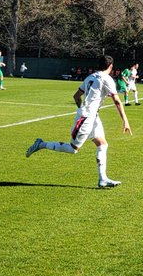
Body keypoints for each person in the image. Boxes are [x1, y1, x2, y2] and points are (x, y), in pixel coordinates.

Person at [25, 54, 131, 188]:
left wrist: (82, 109)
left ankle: (103, 179)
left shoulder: (90, 77)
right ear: (111, 66)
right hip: (87, 117)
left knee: (102, 144)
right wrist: (125, 121)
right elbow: (116, 100)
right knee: (73, 149)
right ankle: (41, 144)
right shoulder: (107, 79)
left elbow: (76, 96)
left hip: (92, 116)